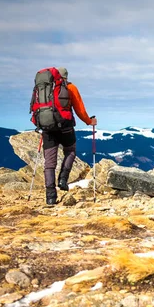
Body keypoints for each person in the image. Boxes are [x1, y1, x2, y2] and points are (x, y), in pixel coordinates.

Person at [42, 67, 97, 205]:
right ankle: (63, 180)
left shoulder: (43, 89)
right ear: (66, 76)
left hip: (47, 128)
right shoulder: (70, 87)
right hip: (65, 127)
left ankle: (50, 197)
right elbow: (80, 110)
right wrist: (89, 121)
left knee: (49, 163)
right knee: (70, 150)